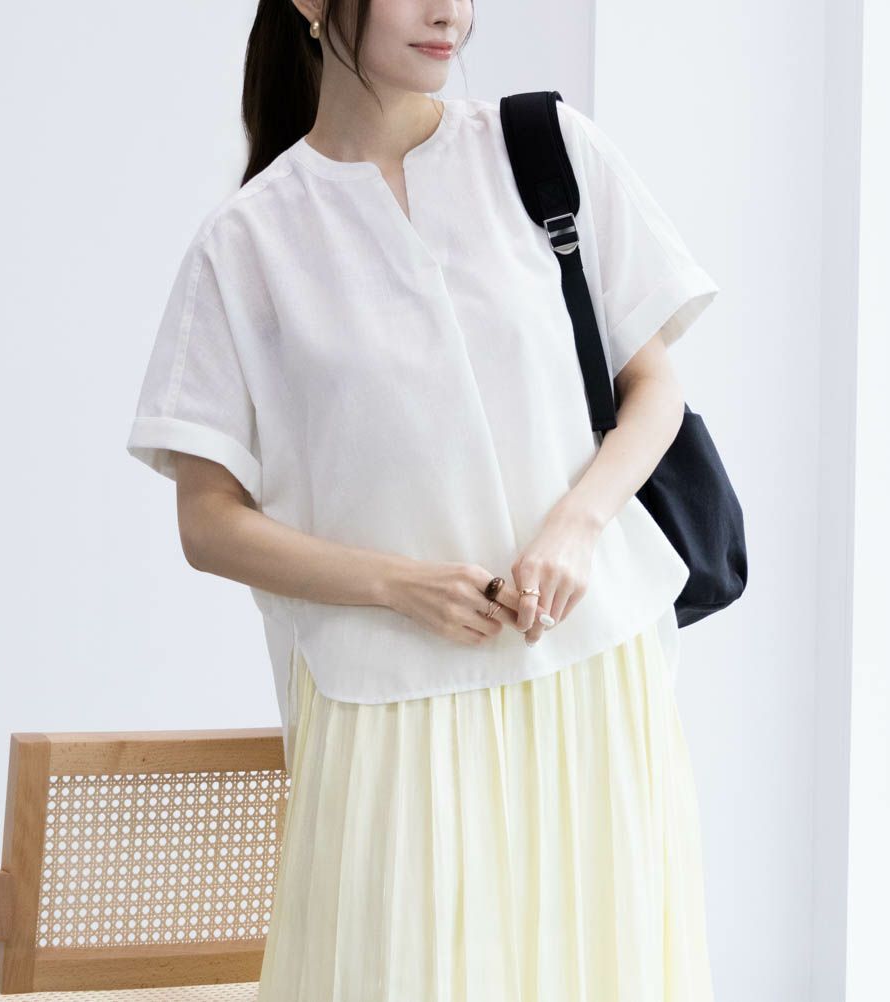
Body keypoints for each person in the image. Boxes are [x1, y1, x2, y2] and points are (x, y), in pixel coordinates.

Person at [126, 0, 719, 998]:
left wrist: (576, 528)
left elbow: (653, 386)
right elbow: (208, 520)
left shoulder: (545, 151)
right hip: (388, 712)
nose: (451, 11)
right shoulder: (249, 243)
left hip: (590, 682)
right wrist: (398, 585)